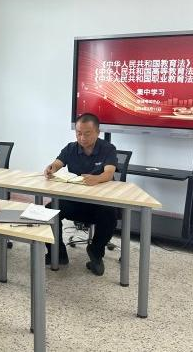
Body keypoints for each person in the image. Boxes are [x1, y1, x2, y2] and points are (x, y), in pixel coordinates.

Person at [43, 113, 118, 276]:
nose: (82, 138)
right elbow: (57, 163)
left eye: (87, 133)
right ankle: (58, 253)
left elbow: (109, 173)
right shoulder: (71, 148)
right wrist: (51, 168)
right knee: (49, 211)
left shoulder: (108, 149)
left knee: (111, 214)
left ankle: (96, 252)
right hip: (75, 201)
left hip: (99, 203)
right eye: (78, 133)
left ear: (97, 132)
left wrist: (96, 179)